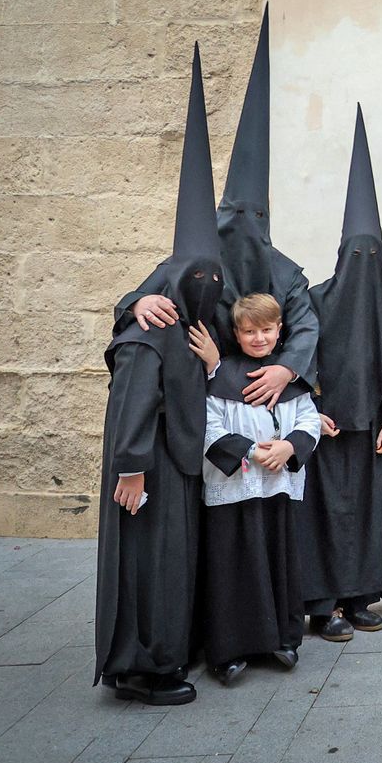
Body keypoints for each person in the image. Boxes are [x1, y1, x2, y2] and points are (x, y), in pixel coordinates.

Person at [94, 47, 220, 706]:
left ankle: (169, 651)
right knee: (151, 566)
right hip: (149, 471)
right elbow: (136, 396)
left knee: (171, 566)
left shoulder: (179, 326)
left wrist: (211, 364)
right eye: (196, 280)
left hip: (175, 468)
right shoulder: (149, 331)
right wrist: (134, 469)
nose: (206, 291)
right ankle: (147, 668)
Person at [116, 7, 317, 411]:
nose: (242, 227)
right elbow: (145, 292)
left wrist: (287, 369)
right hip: (199, 395)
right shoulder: (198, 262)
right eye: (233, 215)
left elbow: (306, 326)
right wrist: (138, 302)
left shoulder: (286, 274)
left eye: (253, 218)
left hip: (263, 396)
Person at [299, 106, 382, 642]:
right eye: (356, 254)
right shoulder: (315, 300)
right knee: (325, 517)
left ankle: (360, 599)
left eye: (374, 255)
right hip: (325, 428)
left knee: (363, 517)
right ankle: (323, 607)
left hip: (369, 432)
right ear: (342, 256)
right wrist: (312, 413)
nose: (365, 262)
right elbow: (300, 359)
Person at [199, 293, 321, 685]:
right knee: (233, 568)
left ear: (279, 329)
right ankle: (228, 651)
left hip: (278, 488)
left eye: (266, 330)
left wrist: (289, 447)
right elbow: (209, 427)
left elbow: (310, 421)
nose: (258, 338)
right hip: (234, 489)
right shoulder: (220, 377)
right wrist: (251, 451)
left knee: (278, 561)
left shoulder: (292, 379)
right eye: (249, 331)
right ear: (236, 333)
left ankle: (281, 640)